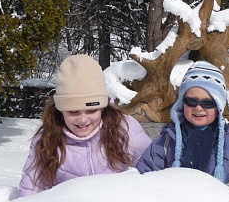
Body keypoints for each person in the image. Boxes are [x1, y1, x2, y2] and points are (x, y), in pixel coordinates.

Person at [18, 54, 152, 197]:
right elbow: (32, 189)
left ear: (102, 107)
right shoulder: (47, 140)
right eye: (73, 112)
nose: (83, 120)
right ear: (61, 110)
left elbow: (152, 174)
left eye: (91, 110)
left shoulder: (125, 128)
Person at [136, 61, 229, 199]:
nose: (198, 108)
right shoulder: (167, 142)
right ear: (182, 103)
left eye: (207, 103)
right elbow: (146, 172)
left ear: (218, 107)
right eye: (191, 101)